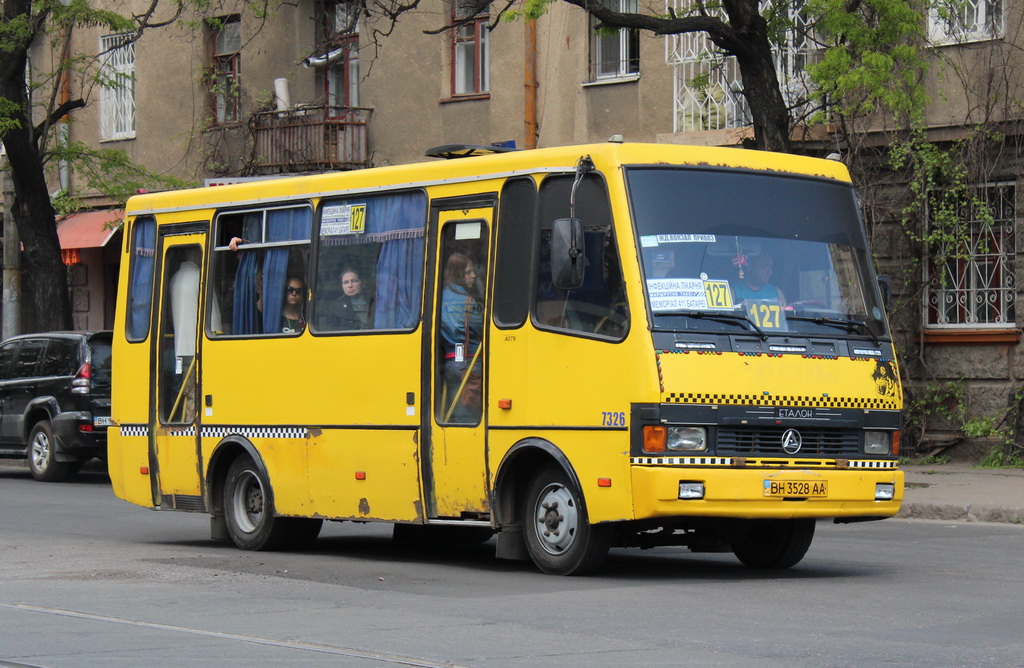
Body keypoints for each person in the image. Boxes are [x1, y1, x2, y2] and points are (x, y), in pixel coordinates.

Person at [439, 252, 483, 422]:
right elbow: (483, 330)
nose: (474, 275)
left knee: (454, 405)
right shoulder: (468, 301)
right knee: (468, 411)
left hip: (450, 361)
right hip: (470, 361)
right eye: (469, 272)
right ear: (458, 274)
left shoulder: (440, 297)